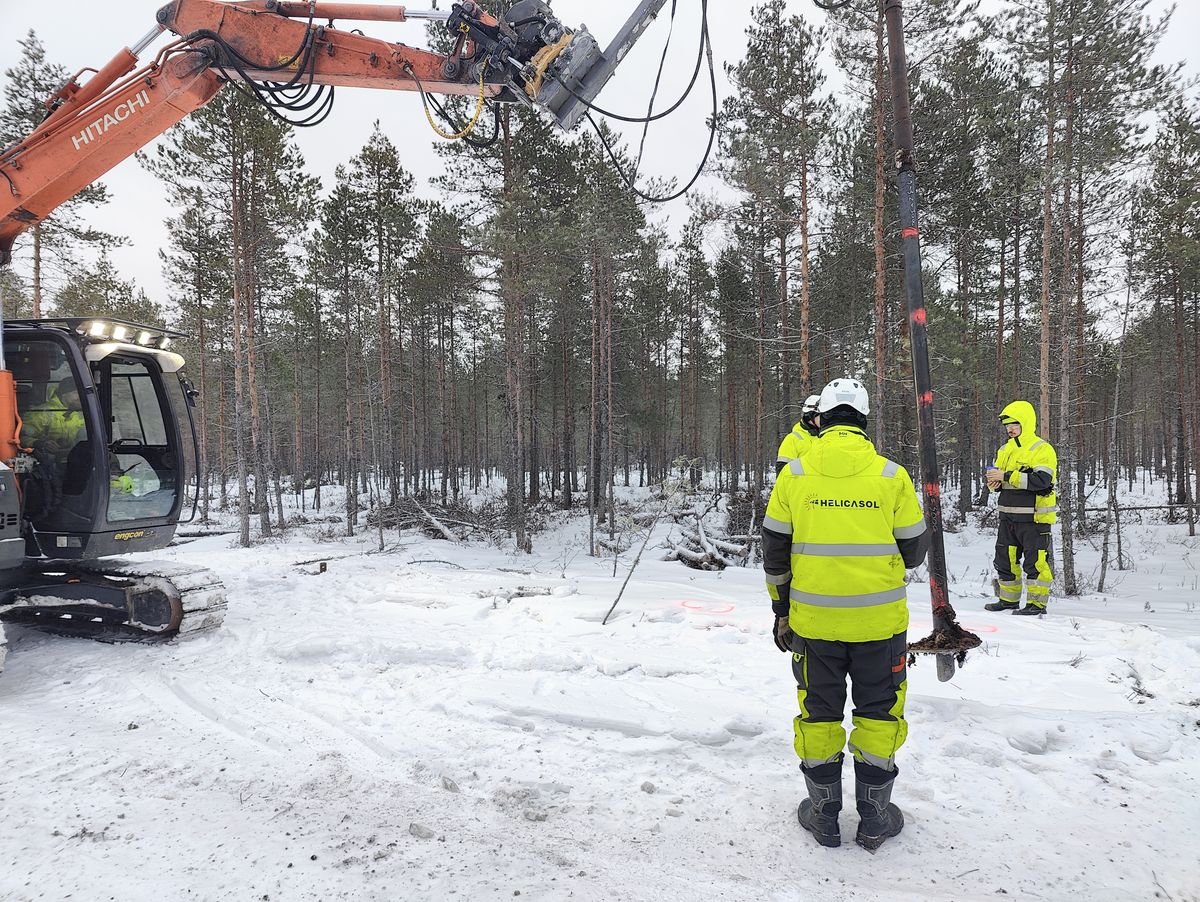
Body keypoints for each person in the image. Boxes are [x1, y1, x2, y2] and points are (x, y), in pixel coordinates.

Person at [763, 377, 930, 851]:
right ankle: (875, 816)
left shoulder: (792, 475)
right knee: (880, 713)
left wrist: (781, 611)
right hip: (880, 627)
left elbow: (775, 556)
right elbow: (915, 551)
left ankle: (823, 814)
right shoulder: (890, 476)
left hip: (813, 626)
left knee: (818, 715)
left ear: (823, 417)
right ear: (862, 418)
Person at [983, 400, 1057, 615]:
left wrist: (1006, 476)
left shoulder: (1041, 449)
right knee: (1004, 560)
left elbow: (1042, 481)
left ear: (1026, 423)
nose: (1010, 429)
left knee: (1035, 563)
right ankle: (1008, 600)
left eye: (1014, 424)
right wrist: (994, 483)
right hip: (1007, 516)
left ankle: (1036, 604)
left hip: (1034, 518)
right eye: (1007, 426)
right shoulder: (1004, 450)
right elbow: (1000, 480)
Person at [20, 376, 85, 457]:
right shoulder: (42, 413)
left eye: (81, 393)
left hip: (70, 458)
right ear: (64, 394)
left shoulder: (81, 415)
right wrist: (41, 444)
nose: (80, 397)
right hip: (43, 461)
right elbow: (21, 438)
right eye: (76, 393)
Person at [776, 394, 822, 474]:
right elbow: (783, 473)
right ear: (809, 416)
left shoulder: (827, 437)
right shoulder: (793, 440)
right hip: (802, 485)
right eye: (821, 416)